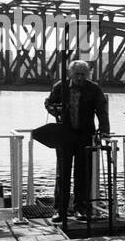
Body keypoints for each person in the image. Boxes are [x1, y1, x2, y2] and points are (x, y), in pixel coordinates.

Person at [44, 59, 110, 222]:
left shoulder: (94, 89)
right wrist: (55, 110)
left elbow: (102, 111)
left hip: (85, 135)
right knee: (62, 173)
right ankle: (61, 210)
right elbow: (48, 103)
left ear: (87, 75)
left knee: (83, 174)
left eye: (83, 74)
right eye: (77, 74)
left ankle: (81, 208)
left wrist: (105, 131)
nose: (80, 78)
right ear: (70, 74)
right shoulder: (60, 86)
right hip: (64, 135)